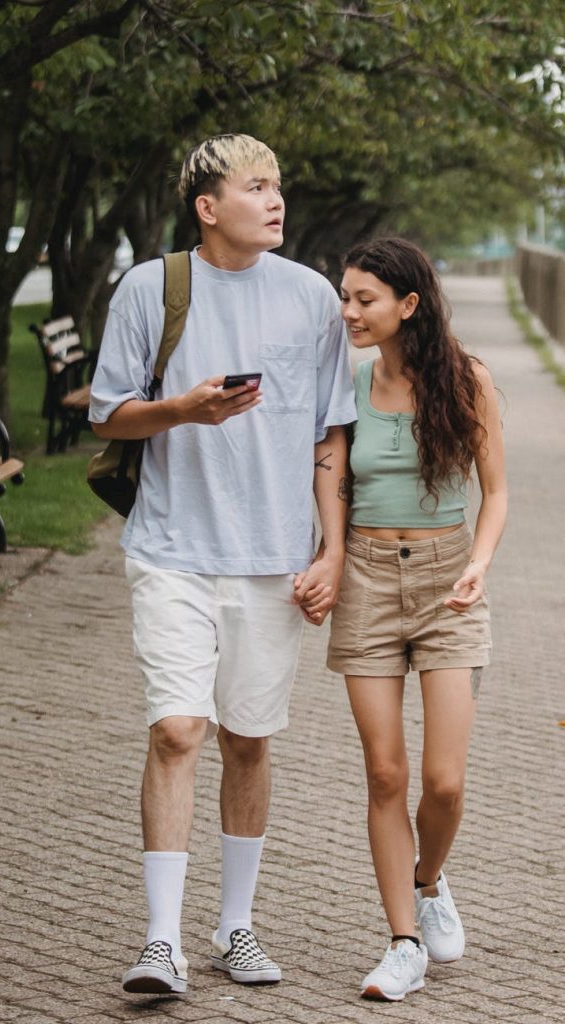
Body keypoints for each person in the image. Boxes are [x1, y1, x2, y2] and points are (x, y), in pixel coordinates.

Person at [89, 133, 356, 995]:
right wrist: (182, 412)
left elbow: (328, 436)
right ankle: (159, 941)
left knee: (247, 740)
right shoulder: (149, 287)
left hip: (275, 561)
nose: (275, 199)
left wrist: (332, 551)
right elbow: (107, 417)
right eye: (255, 186)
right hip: (173, 549)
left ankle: (234, 927)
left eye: (278, 184)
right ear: (207, 207)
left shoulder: (312, 297)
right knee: (177, 730)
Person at [327, 237, 507, 1002]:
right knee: (384, 772)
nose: (349, 312)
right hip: (366, 581)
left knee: (442, 783)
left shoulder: (466, 382)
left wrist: (477, 562)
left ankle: (428, 881)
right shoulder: (346, 386)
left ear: (408, 305)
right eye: (344, 296)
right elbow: (332, 487)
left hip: (446, 584)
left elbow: (494, 491)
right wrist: (329, 563)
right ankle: (402, 941)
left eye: (364, 299)